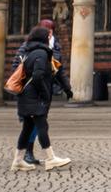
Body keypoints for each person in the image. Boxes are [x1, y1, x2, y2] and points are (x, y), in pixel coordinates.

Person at [13, 26, 69, 170]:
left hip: (26, 96)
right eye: (48, 36)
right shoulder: (41, 53)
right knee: (42, 125)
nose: (50, 37)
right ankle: (50, 159)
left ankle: (18, 160)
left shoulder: (30, 51)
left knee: (27, 128)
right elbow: (38, 76)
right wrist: (45, 94)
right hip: (35, 97)